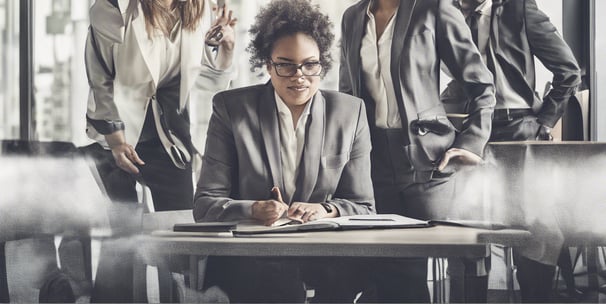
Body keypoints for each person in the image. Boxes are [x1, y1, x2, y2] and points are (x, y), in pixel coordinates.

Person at [193, 0, 375, 302]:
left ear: (322, 63)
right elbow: (205, 205)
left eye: (310, 64)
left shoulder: (350, 112)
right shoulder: (232, 109)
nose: (298, 75)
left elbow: (364, 206)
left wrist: (325, 210)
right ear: (267, 64)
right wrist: (252, 209)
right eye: (285, 64)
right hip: (252, 262)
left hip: (325, 261)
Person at [339, 0, 496, 302]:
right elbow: (347, 95)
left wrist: (471, 143)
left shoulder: (433, 9)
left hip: (431, 162)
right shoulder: (353, 17)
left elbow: (481, 86)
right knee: (391, 266)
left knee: (456, 257)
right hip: (375, 163)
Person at [82, 0, 236, 301]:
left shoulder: (198, 9)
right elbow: (100, 79)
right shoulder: (112, 7)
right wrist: (115, 138)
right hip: (119, 138)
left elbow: (203, 81)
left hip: (171, 141)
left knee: (178, 245)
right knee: (123, 242)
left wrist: (227, 47)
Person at [441, 0, 582, 302]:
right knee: (466, 226)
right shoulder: (446, 12)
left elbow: (568, 71)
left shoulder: (519, 9)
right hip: (466, 129)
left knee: (536, 226)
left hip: (517, 127)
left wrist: (545, 121)